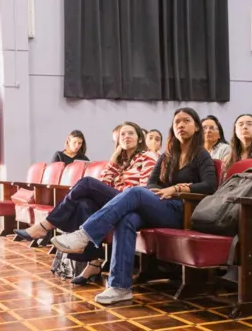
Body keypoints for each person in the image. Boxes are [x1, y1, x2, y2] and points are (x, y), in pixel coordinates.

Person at [50, 108, 217, 304]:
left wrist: (175, 189)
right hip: (161, 205)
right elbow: (152, 183)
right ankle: (120, 287)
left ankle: (84, 235)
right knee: (127, 218)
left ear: (197, 127)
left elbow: (209, 186)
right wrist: (156, 193)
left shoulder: (201, 155)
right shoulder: (168, 155)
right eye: (176, 122)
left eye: (186, 121)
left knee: (135, 191)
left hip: (181, 210)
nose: (180, 125)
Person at [14, 122, 157, 284]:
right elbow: (105, 182)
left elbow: (144, 189)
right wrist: (115, 158)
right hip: (115, 201)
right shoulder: (121, 160)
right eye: (122, 135)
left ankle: (46, 225)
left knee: (87, 183)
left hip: (130, 202)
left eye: (131, 133)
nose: (126, 137)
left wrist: (122, 190)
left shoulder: (147, 156)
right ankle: (94, 263)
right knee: (84, 205)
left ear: (140, 139)